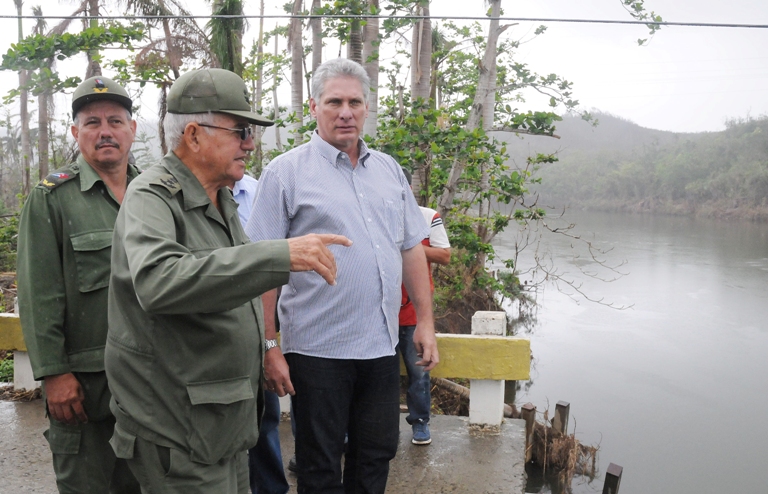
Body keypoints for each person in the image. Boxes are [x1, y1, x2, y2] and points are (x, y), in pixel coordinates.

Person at [104, 68, 351, 494]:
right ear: (195, 135)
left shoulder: (220, 198)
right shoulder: (152, 196)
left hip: (224, 426)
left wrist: (267, 347)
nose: (250, 144)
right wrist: (280, 255)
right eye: (240, 131)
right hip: (178, 431)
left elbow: (230, 289)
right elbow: (158, 281)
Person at [245, 57, 439, 494]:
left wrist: (425, 321)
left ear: (367, 108)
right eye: (334, 101)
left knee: (376, 454)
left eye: (354, 102)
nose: (345, 112)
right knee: (319, 464)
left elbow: (411, 249)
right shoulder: (286, 173)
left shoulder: (389, 170)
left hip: (381, 347)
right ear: (314, 106)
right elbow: (263, 268)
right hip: (317, 352)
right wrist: (270, 346)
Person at [16, 76, 141, 494]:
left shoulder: (156, 194)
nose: (105, 131)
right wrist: (54, 373)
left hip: (149, 381)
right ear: (76, 132)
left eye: (115, 121)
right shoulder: (53, 198)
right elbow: (39, 293)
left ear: (132, 129)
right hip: (86, 385)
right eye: (92, 122)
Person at [230, 173, 290, 494]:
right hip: (213, 327)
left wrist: (269, 340)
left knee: (265, 417)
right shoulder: (176, 198)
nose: (244, 144)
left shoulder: (257, 191)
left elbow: (270, 265)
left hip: (256, 323)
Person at [397, 168, 451, 446]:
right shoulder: (368, 214)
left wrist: (405, 246)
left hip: (413, 313)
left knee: (418, 372)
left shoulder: (427, 216)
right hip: (375, 312)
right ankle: (378, 425)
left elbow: (443, 254)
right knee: (375, 375)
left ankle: (420, 423)